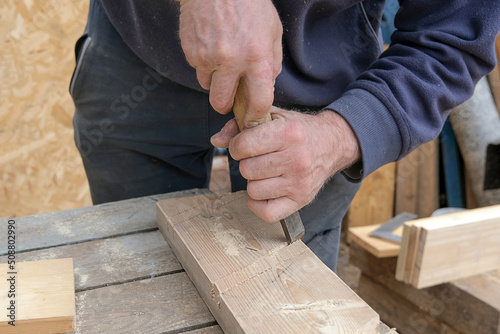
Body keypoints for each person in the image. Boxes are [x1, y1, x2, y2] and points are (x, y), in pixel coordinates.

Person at [70, 0, 500, 271]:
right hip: (137, 47)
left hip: (319, 91)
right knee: (134, 270)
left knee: (287, 291)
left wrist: (338, 136)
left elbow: (449, 38)